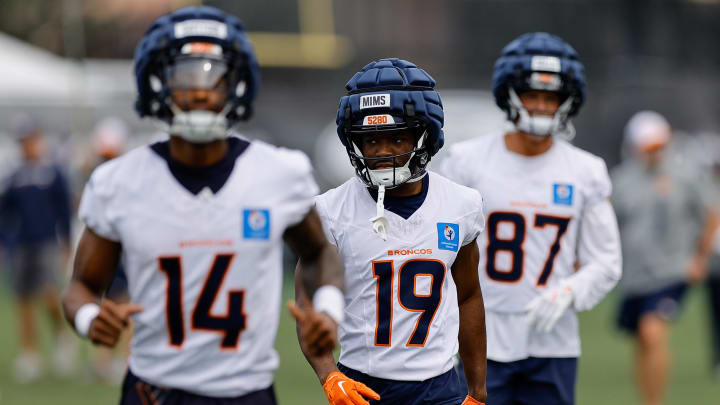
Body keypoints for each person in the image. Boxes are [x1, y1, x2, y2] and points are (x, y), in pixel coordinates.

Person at [61, 6, 344, 404]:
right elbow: (82, 287)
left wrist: (329, 309)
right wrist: (92, 319)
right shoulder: (118, 183)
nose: (198, 90)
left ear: (238, 85)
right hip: (152, 390)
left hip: (246, 391)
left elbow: (318, 254)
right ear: (157, 83)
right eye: (184, 76)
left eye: (215, 76)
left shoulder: (280, 173)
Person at [439, 32, 622, 405]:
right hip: (479, 338)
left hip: (553, 340)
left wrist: (569, 291)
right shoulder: (466, 161)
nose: (540, 105)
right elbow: (439, 247)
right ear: (509, 94)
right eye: (531, 95)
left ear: (567, 101)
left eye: (550, 97)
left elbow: (606, 261)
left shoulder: (586, 170)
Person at [294, 58, 487, 405]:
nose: (383, 152)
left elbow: (468, 295)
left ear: (425, 134)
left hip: (441, 387)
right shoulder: (330, 211)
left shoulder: (461, 204)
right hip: (363, 386)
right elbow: (306, 302)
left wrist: (478, 392)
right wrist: (329, 376)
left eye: (397, 138)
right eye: (371, 141)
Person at [612, 111, 718, 405]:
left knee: (652, 331)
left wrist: (699, 257)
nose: (656, 153)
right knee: (642, 342)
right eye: (649, 147)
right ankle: (648, 399)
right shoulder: (621, 181)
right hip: (635, 276)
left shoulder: (685, 176)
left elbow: (710, 214)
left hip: (672, 271)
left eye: (659, 145)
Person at [0, 114, 75, 382]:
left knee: (48, 296)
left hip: (46, 243)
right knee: (23, 301)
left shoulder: (52, 172)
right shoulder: (14, 175)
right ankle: (30, 354)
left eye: (29, 139)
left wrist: (66, 244)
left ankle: (61, 338)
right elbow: (4, 211)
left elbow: (63, 211)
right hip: (21, 244)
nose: (26, 145)